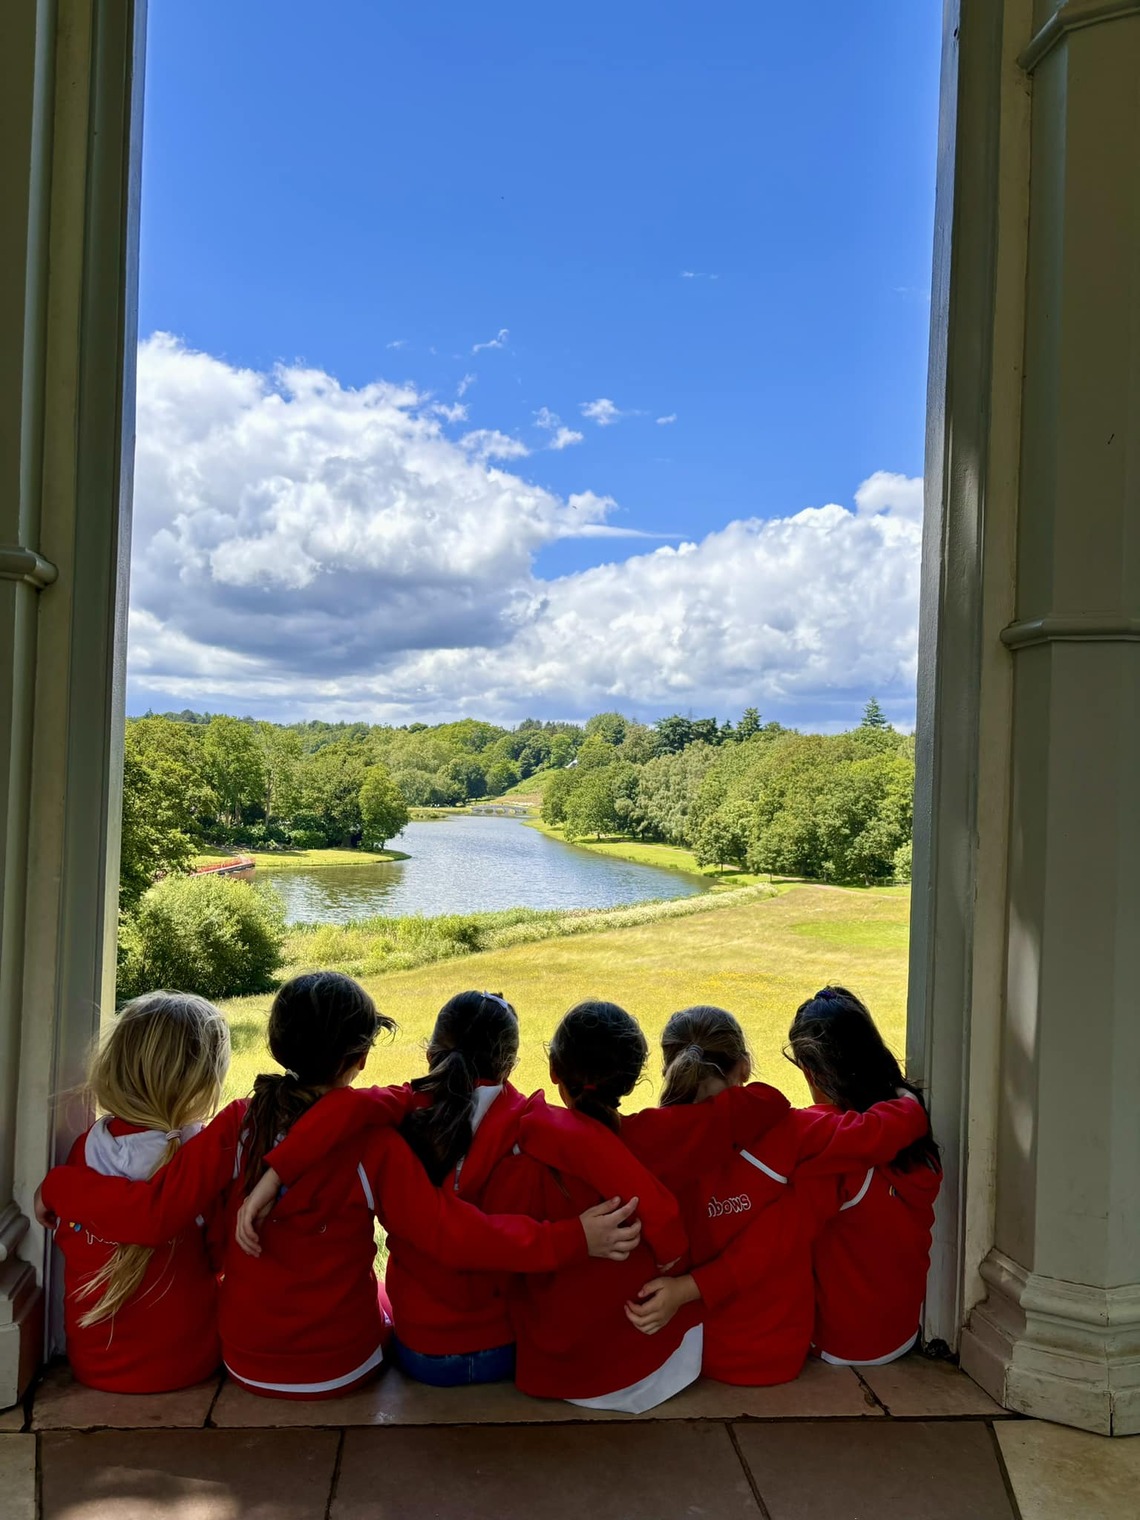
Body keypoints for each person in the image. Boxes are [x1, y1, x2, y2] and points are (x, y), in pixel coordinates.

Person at [38, 973, 644, 1399]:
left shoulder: (236, 1125)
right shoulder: (371, 1144)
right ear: (357, 1062)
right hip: (342, 1368)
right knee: (383, 1299)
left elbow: (158, 1215)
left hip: (246, 1364)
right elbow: (449, 1234)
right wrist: (569, 1239)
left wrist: (59, 1184)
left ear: (276, 1043)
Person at [237, 990, 689, 1389]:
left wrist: (276, 1173)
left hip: (421, 1351)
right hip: (502, 1349)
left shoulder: (400, 1110)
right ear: (509, 1064)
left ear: (432, 1052)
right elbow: (625, 1175)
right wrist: (669, 1251)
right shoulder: (534, 1124)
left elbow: (344, 1107)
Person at [621, 997, 937, 1381]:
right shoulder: (789, 1131)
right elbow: (872, 1135)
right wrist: (908, 1104)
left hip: (679, 1350)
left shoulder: (640, 1139)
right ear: (745, 1065)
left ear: (669, 1066)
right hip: (774, 1352)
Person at [480, 1000, 704, 1414]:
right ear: (633, 1079)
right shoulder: (662, 1143)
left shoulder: (523, 1167)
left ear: (553, 1072)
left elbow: (498, 1272)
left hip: (564, 1373)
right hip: (667, 1364)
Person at [44, 991, 230, 1393]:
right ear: (203, 1081)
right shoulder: (200, 1160)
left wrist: (57, 1185)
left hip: (94, 1366)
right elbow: (221, 1254)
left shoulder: (84, 1150)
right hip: (190, 1365)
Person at [787, 986, 942, 1366]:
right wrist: (907, 1102)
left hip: (839, 1342)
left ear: (811, 1071)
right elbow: (896, 1117)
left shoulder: (823, 1139)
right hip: (902, 1330)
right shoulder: (910, 1124)